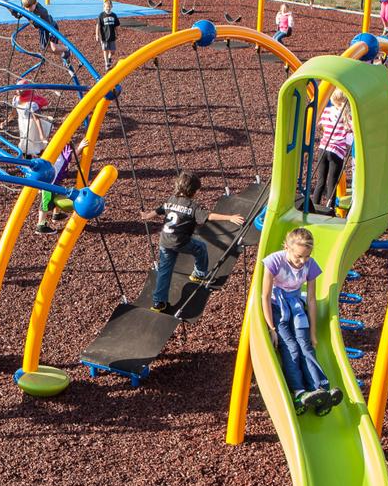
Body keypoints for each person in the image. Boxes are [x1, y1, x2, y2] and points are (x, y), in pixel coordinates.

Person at [144, 171, 246, 314]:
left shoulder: (171, 199)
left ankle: (159, 302)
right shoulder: (192, 206)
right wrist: (229, 218)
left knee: (164, 272)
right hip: (180, 242)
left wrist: (148, 215)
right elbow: (209, 216)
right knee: (200, 247)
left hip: (165, 242)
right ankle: (198, 274)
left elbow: (160, 209)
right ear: (194, 191)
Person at [262, 228, 338, 415]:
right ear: (286, 247)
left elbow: (311, 300)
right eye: (298, 256)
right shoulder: (274, 261)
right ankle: (299, 392)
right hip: (277, 307)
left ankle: (321, 389)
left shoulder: (310, 265)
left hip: (296, 306)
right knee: (291, 347)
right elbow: (264, 295)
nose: (302, 261)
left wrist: (313, 332)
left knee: (305, 346)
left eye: (306, 256)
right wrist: (271, 328)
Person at [34, 137, 90, 233]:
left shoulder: (62, 150)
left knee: (56, 195)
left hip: (55, 181)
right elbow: (72, 157)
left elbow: (70, 156)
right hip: (49, 183)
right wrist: (80, 147)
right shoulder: (56, 152)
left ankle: (56, 215)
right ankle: (41, 225)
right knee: (45, 202)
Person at [309, 95, 353, 214]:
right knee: (332, 183)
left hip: (323, 148)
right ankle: (330, 209)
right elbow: (350, 136)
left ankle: (314, 206)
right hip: (337, 152)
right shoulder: (347, 115)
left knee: (321, 181)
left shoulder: (327, 111)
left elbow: (320, 123)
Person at [10, 85, 54, 157]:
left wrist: (41, 135)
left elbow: (37, 119)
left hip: (30, 126)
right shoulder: (16, 99)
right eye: (17, 89)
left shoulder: (31, 104)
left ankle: (32, 161)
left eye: (20, 90)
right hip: (22, 123)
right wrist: (6, 121)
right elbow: (13, 113)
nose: (17, 91)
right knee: (25, 144)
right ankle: (28, 161)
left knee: (29, 145)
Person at [96, 0, 122, 69]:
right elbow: (98, 25)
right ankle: (106, 63)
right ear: (104, 7)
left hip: (112, 36)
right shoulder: (101, 15)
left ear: (112, 7)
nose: (108, 8)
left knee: (113, 51)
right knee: (105, 50)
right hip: (104, 36)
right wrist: (97, 35)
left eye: (109, 6)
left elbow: (116, 25)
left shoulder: (114, 15)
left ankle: (109, 58)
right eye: (107, 7)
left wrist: (117, 33)